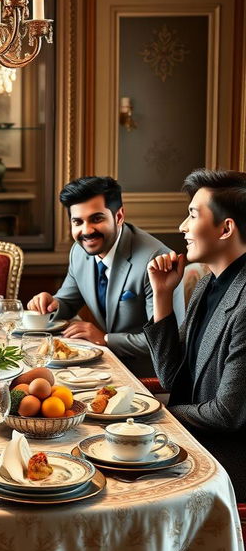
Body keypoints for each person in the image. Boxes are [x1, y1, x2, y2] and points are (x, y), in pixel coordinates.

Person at [144, 169, 246, 500]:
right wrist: (162, 295)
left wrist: (159, 417)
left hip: (225, 462)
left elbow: (228, 414)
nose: (182, 228)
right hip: (188, 439)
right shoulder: (206, 285)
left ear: (226, 228)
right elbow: (172, 378)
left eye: (192, 215)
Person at [27, 176, 184, 377]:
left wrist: (105, 338)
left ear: (119, 216)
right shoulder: (79, 251)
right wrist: (52, 303)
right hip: (103, 366)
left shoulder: (155, 261)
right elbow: (68, 300)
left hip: (149, 376)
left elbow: (167, 340)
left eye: (96, 219)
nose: (86, 231)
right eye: (78, 222)